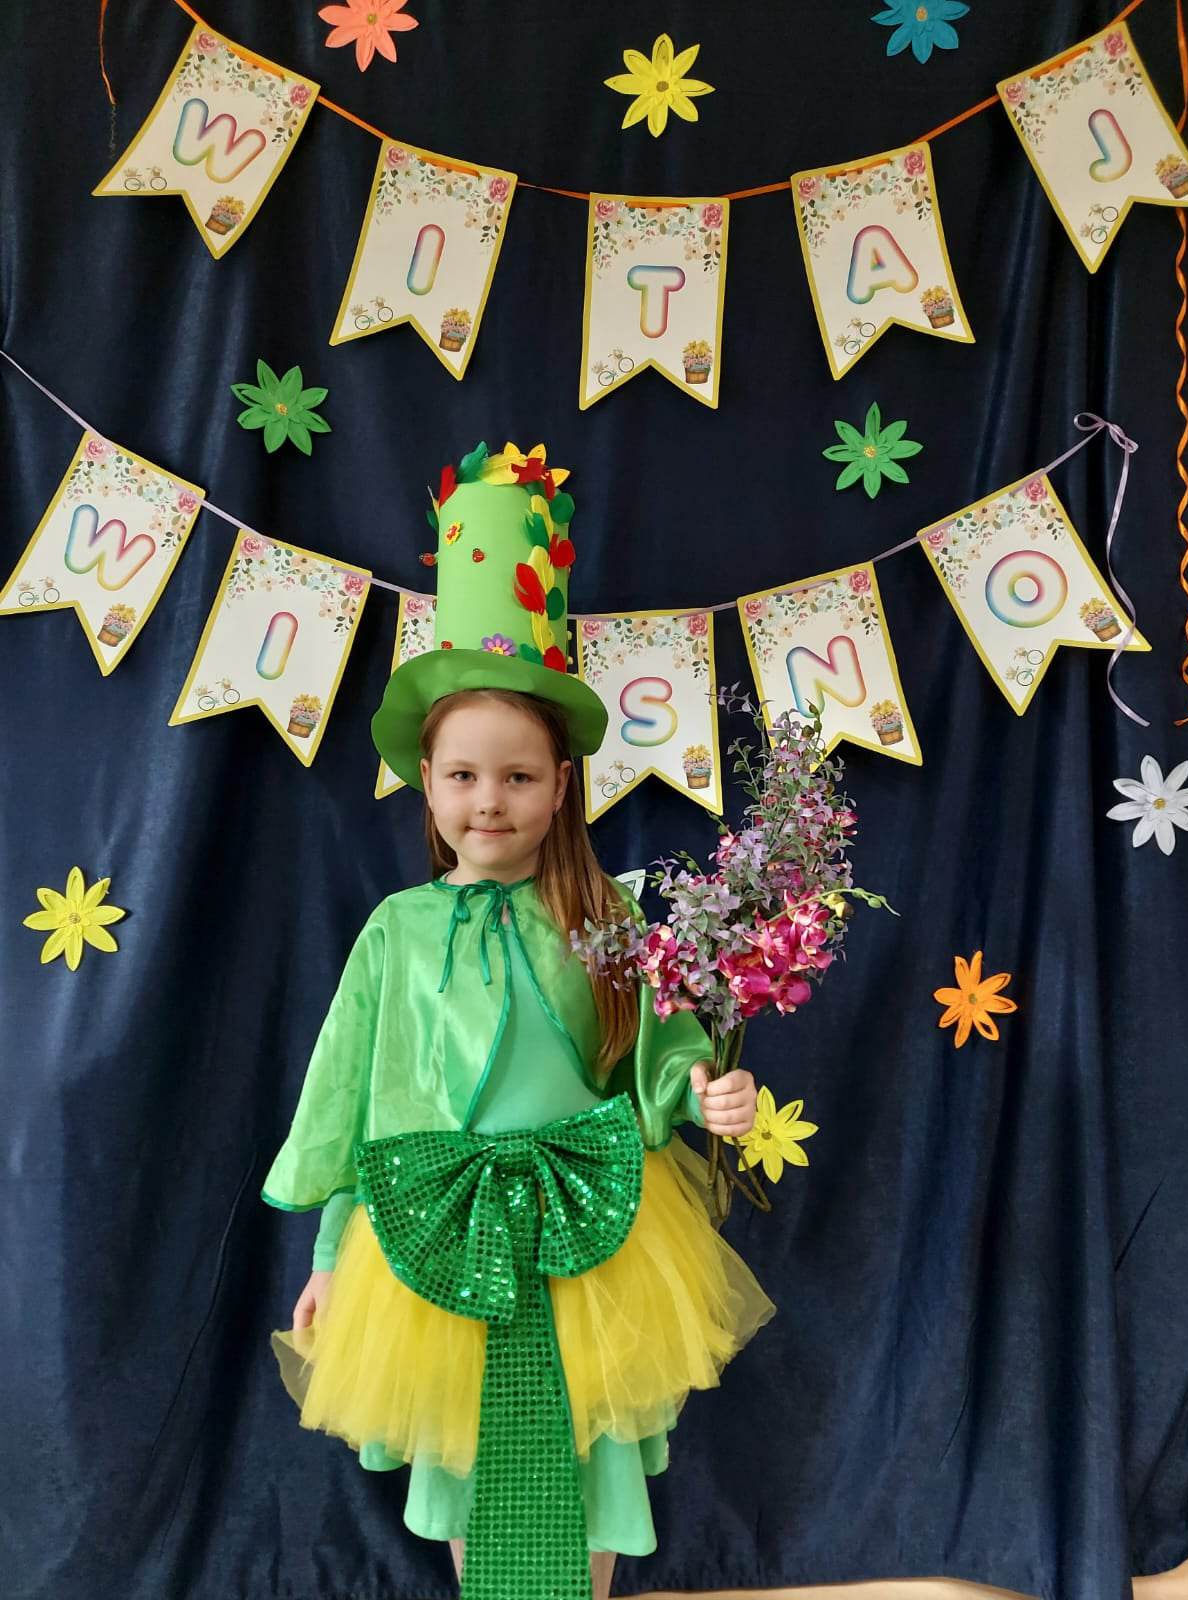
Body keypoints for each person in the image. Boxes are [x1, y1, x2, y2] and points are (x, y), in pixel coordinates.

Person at [261, 442, 776, 1600]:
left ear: (560, 786)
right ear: (428, 781)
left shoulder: (605, 914)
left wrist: (707, 1089)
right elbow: (360, 1106)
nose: (488, 801)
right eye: (463, 776)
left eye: (518, 777)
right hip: (432, 1225)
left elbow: (660, 1057)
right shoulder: (396, 932)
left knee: (591, 1462)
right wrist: (332, 1255)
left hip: (589, 1226)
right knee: (464, 1466)